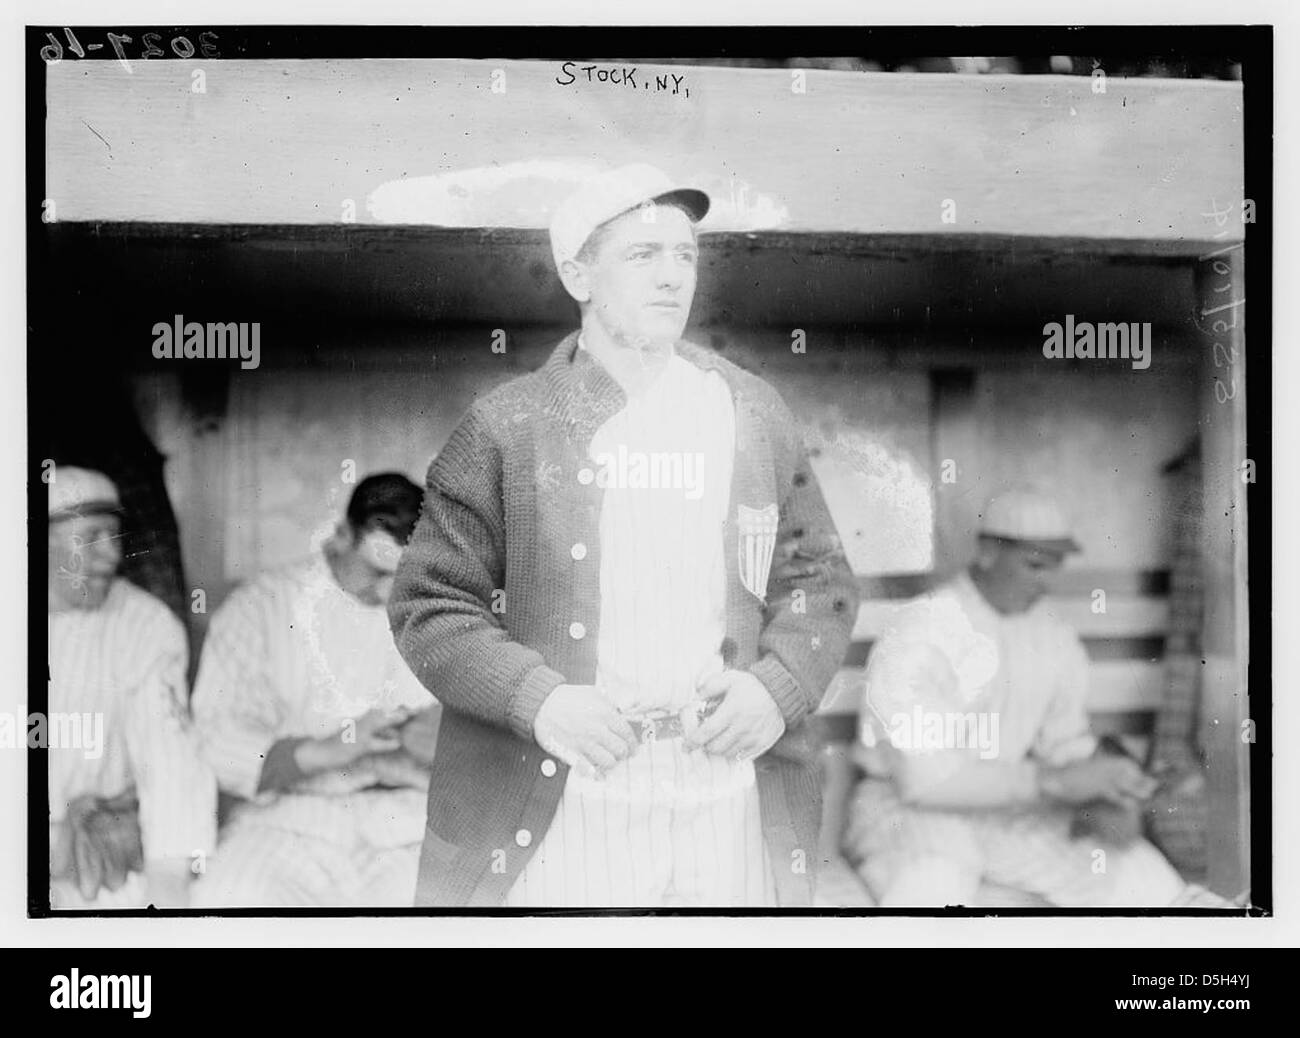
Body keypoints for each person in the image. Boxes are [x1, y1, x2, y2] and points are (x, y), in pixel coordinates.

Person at [388, 163, 859, 908]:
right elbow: (428, 605)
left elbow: (819, 579)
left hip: (723, 781)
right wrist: (537, 699)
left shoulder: (749, 408)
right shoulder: (506, 426)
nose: (672, 278)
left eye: (685, 256)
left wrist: (778, 688)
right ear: (578, 275)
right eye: (642, 256)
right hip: (573, 784)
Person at [844, 487, 1214, 907]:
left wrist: (1111, 785)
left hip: (1010, 811)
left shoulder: (1053, 635)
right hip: (904, 811)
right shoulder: (920, 630)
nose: (1046, 582)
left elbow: (1065, 744)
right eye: (1034, 565)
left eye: (1054, 567)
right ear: (986, 552)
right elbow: (924, 780)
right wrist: (1054, 782)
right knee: (934, 881)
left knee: (1144, 877)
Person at [191, 473, 441, 907]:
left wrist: (436, 741)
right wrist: (327, 750)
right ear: (342, 535)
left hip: (409, 825)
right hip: (291, 818)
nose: (388, 592)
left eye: (402, 576)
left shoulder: (440, 611)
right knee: (231, 897)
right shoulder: (263, 605)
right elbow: (216, 741)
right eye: (376, 571)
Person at [46, 464, 216, 908]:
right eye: (91, 537)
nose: (112, 556)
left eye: (115, 536)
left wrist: (169, 876)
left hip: (102, 857)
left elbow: (171, 758)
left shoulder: (144, 623)